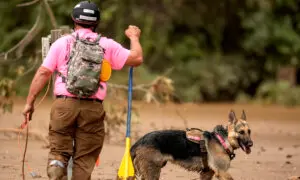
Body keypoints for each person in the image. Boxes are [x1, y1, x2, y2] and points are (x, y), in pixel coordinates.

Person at [22, 1, 143, 179]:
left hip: (64, 106)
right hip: (92, 109)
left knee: (59, 150)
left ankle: (57, 166)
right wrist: (134, 37)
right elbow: (137, 58)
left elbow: (43, 72)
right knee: (84, 158)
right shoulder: (106, 44)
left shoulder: (62, 42)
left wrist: (29, 102)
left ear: (73, 19)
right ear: (97, 22)